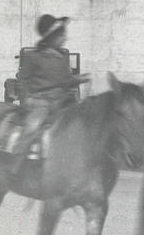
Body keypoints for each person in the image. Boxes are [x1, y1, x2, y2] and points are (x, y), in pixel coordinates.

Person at [15, 14, 89, 159]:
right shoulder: (33, 57)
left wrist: (76, 80)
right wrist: (26, 100)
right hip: (41, 101)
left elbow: (64, 81)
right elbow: (23, 81)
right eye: (62, 35)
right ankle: (17, 159)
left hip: (63, 101)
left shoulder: (62, 57)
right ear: (51, 38)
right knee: (33, 126)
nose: (65, 39)